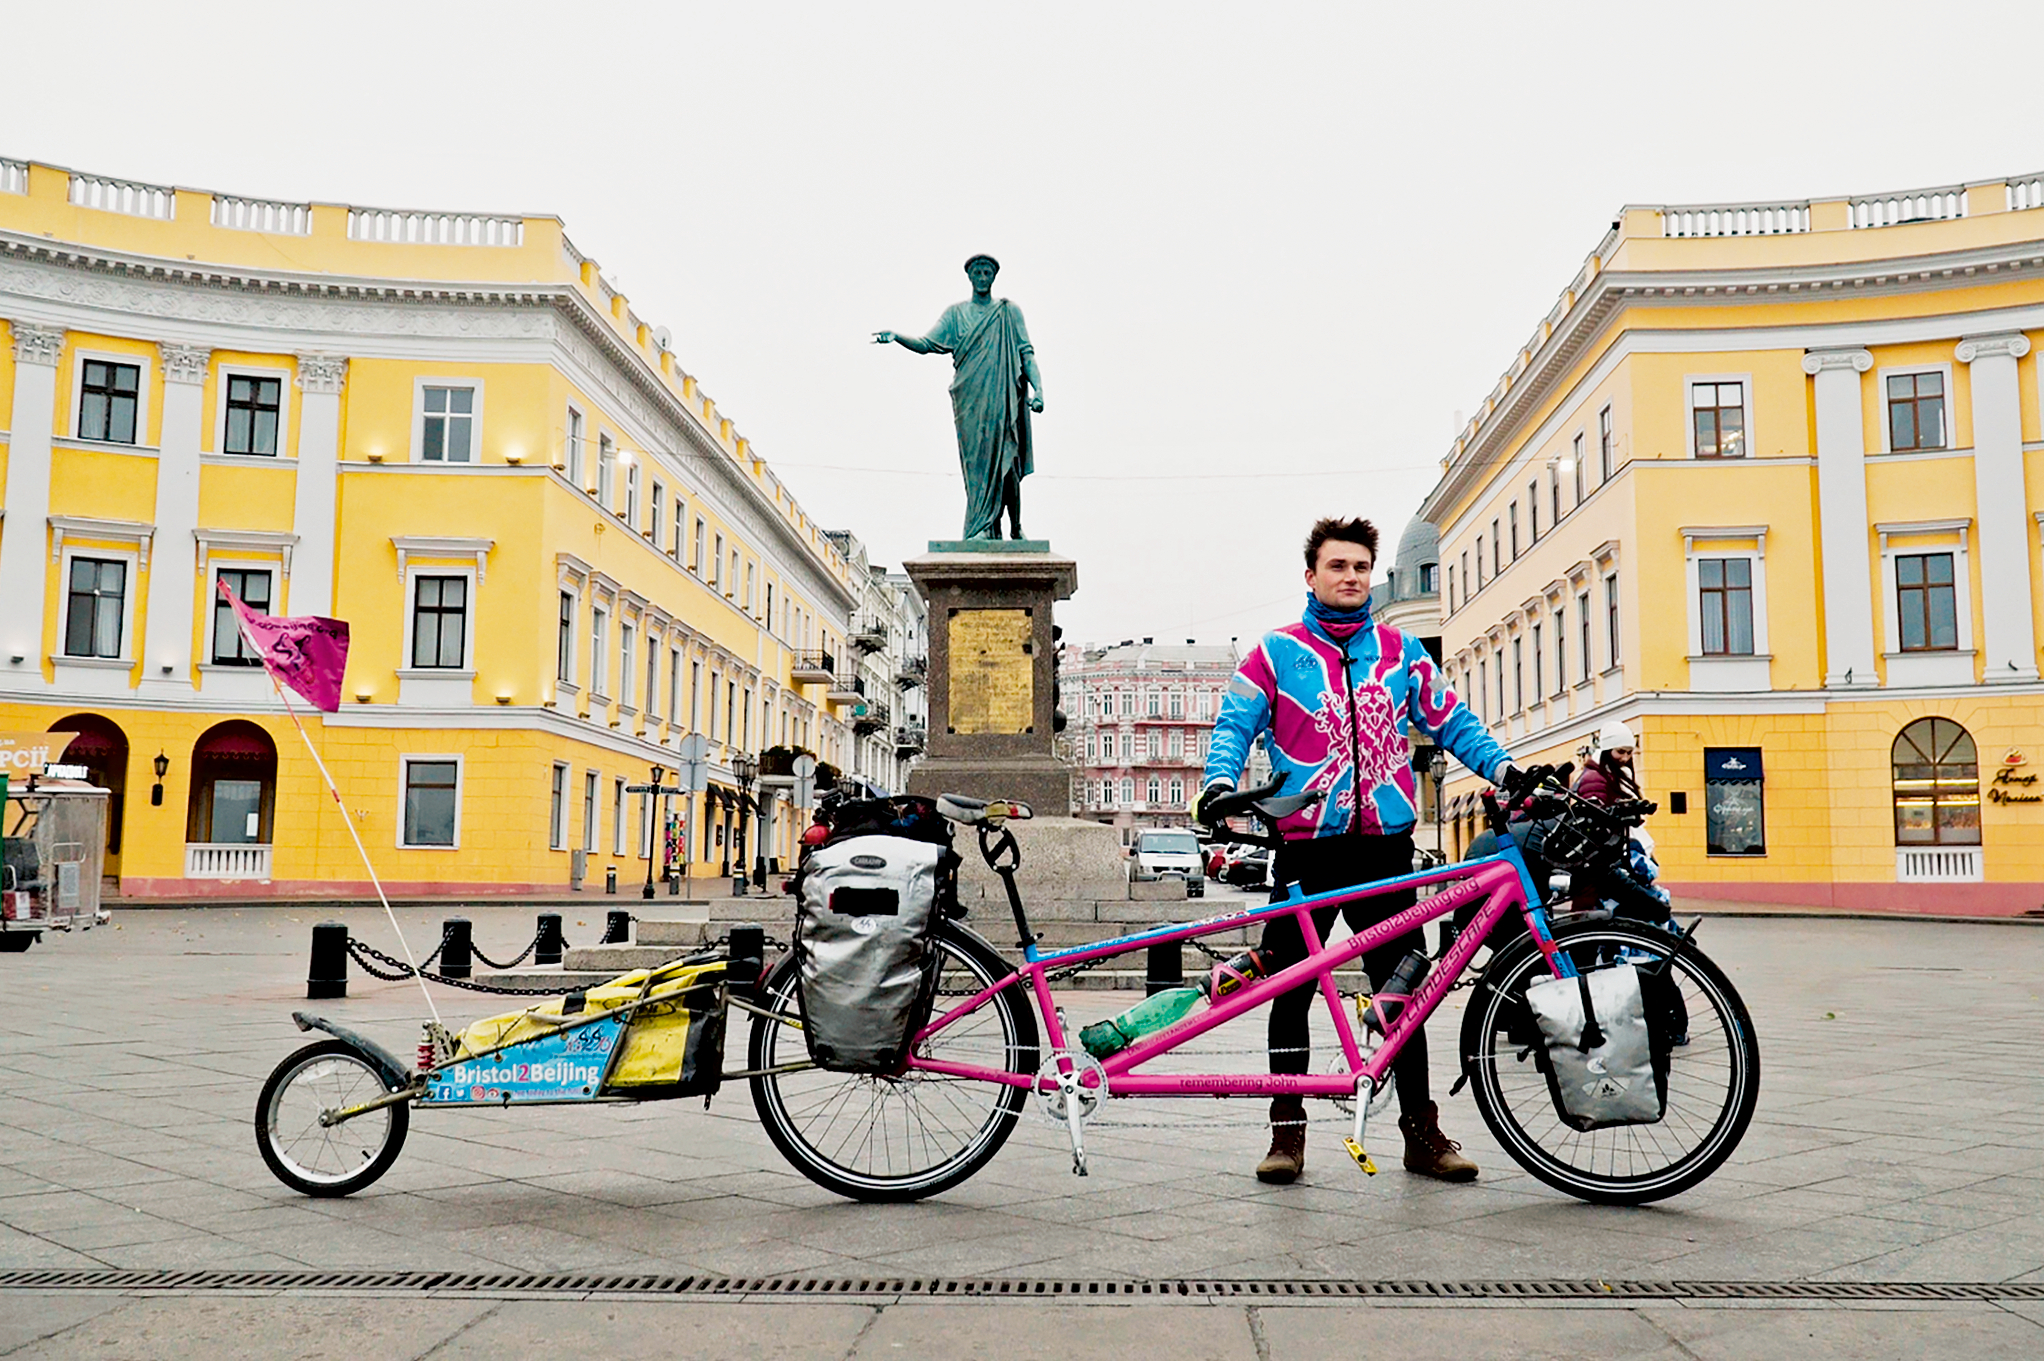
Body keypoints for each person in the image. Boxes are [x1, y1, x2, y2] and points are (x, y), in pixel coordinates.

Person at [1200, 517, 1517, 1185]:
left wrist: (1505, 772)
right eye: (1337, 566)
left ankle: (1421, 1135)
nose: (1350, 577)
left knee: (1404, 993)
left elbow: (1453, 722)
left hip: (1383, 852)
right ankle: (1287, 1134)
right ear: (1310, 576)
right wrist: (1220, 783)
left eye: (1360, 568)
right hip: (1307, 853)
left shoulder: (1402, 653)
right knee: (1288, 994)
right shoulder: (1275, 653)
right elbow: (1235, 724)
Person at [874, 254, 1045, 541]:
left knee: (1007, 463)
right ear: (969, 277)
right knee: (976, 467)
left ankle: (1015, 526)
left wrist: (1039, 389)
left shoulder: (1008, 311)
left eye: (987, 272)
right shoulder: (955, 314)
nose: (981, 277)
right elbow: (927, 344)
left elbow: (1026, 353)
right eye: (976, 272)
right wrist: (898, 337)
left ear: (993, 277)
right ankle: (982, 527)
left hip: (1003, 398)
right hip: (971, 401)